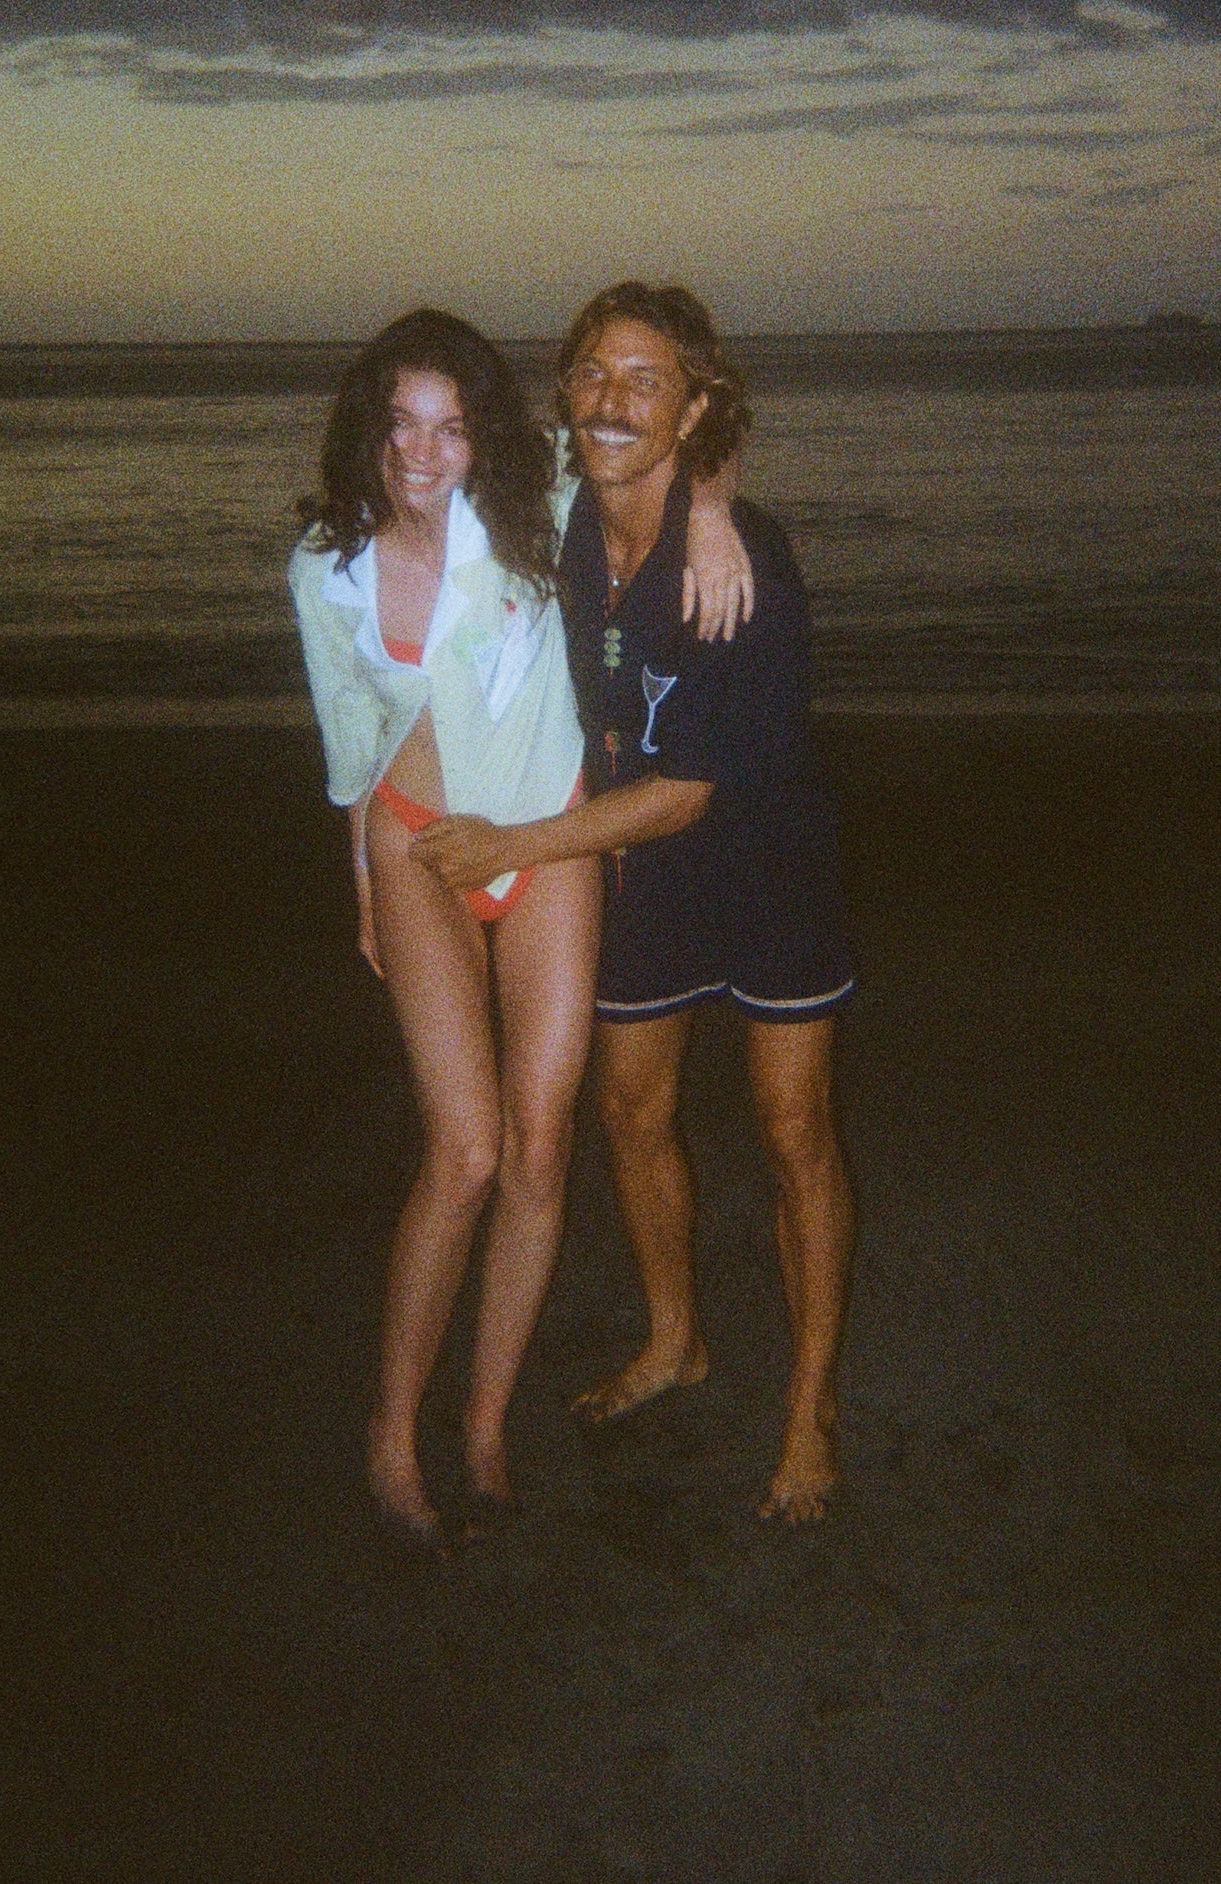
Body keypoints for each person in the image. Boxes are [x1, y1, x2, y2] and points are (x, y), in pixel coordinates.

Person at [288, 308, 748, 1549]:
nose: (425, 452)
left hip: (546, 840)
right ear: (370, 433)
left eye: (450, 424)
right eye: (401, 424)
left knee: (545, 1155)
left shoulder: (530, 496)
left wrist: (707, 511)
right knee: (470, 1153)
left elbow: (659, 433)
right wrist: (367, 890)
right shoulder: (325, 574)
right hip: (418, 844)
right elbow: (349, 750)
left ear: (481, 429)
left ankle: (483, 1421)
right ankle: (393, 1425)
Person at [413, 284, 855, 1522]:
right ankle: (676, 1339)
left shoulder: (740, 557)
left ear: (696, 405)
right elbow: (423, 470)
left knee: (791, 1132)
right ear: (564, 392)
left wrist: (518, 843)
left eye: (646, 379)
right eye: (594, 373)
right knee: (630, 1106)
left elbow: (686, 792)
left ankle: (809, 1407)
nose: (613, 398)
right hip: (633, 859)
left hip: (763, 856)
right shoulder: (551, 506)